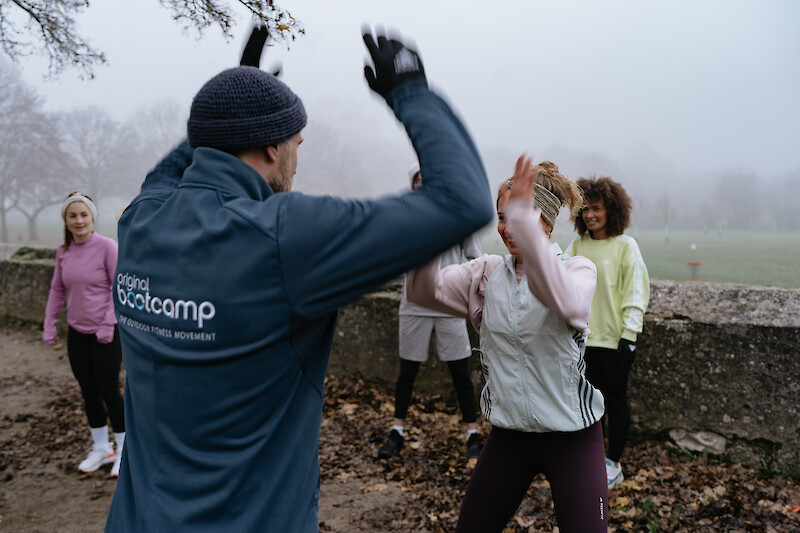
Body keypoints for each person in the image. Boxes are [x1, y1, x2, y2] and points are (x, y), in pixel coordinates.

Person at [105, 28, 494, 532]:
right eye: (296, 142)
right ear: (273, 148)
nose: (297, 156)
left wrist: (236, 95)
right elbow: (464, 202)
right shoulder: (283, 237)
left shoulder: (142, 220)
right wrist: (411, 92)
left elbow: (184, 159)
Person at [406, 156, 608, 532]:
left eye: (520, 216)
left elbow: (563, 300)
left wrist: (524, 227)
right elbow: (421, 291)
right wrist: (430, 220)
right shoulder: (486, 275)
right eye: (502, 217)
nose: (507, 227)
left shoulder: (577, 271)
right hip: (509, 436)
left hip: (572, 437)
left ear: (547, 222)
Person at [377, 165, 484, 461]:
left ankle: (472, 434)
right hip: (413, 303)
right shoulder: (405, 218)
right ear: (413, 185)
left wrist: (470, 287)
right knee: (407, 371)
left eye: (428, 179)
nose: (422, 185)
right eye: (418, 181)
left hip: (449, 303)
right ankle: (396, 432)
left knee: (460, 371)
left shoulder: (459, 215)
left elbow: (476, 257)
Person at [565, 175, 650, 490]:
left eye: (596, 209)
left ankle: (613, 463)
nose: (590, 215)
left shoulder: (626, 246)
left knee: (615, 402)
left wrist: (630, 336)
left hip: (615, 342)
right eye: (585, 209)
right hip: (583, 341)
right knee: (589, 404)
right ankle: (592, 459)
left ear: (611, 210)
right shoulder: (577, 246)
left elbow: (635, 291)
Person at [43, 192, 125, 478]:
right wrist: (50, 323)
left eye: (83, 215)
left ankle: (124, 450)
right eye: (72, 216)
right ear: (66, 220)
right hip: (77, 333)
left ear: (92, 218)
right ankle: (102, 449)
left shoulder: (107, 247)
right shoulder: (63, 251)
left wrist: (107, 324)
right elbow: (57, 289)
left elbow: (119, 288)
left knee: (108, 389)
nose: (79, 220)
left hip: (106, 333)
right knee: (88, 390)